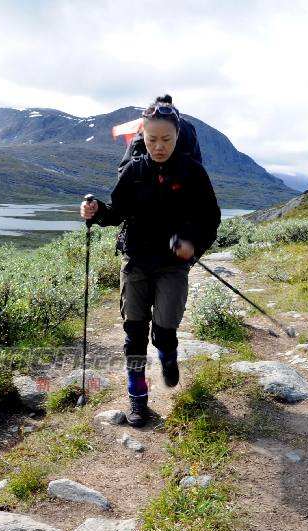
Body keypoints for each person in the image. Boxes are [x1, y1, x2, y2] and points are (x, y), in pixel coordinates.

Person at [80, 95, 221, 427]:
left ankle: (169, 358)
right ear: (142, 136)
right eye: (152, 139)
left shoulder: (193, 173)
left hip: (173, 265)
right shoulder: (134, 171)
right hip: (137, 261)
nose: (159, 146)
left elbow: (210, 219)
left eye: (167, 139)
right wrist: (96, 211)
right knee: (134, 333)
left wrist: (193, 246)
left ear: (178, 137)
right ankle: (138, 399)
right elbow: (116, 213)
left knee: (165, 330)